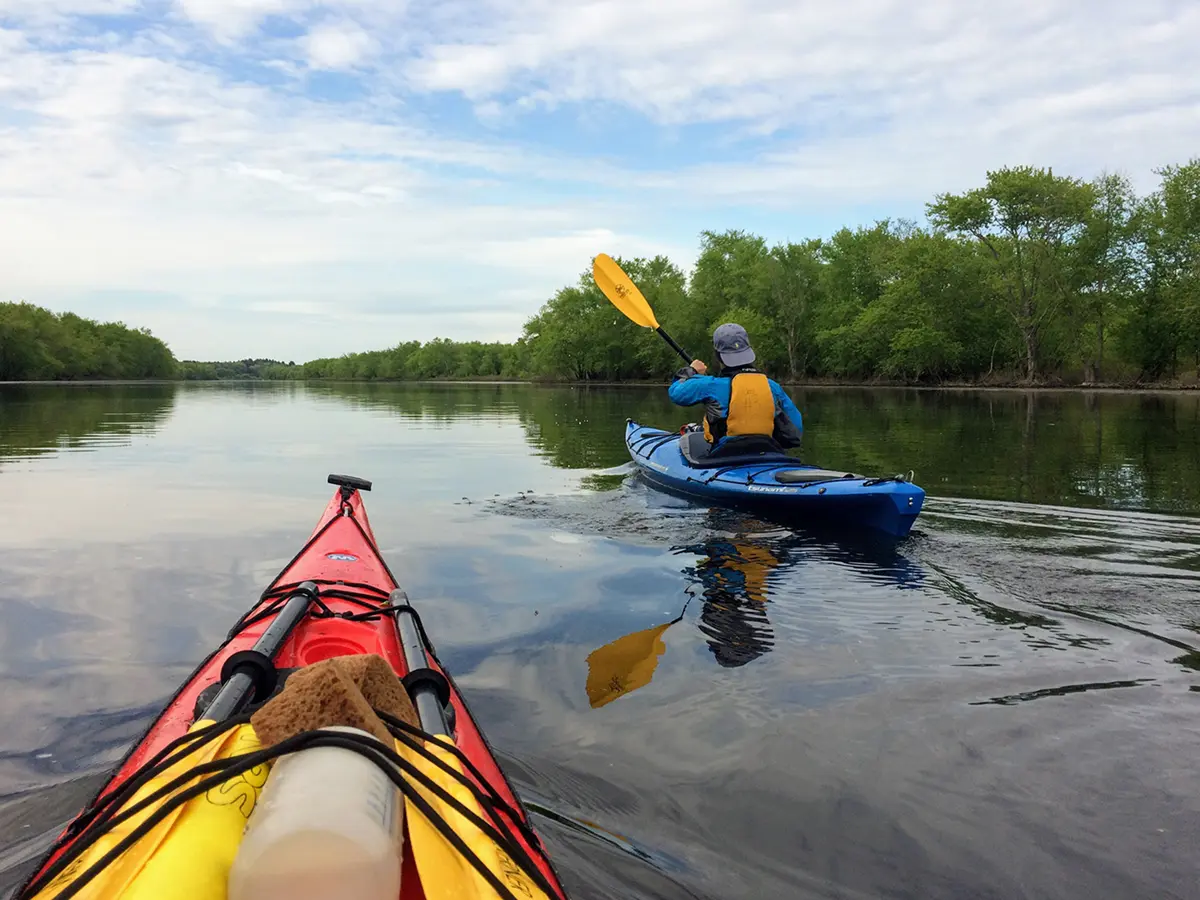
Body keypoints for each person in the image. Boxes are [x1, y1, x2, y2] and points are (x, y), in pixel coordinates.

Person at [668, 323, 803, 457]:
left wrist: (691, 370)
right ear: (749, 351)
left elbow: (676, 392)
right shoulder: (772, 386)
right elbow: (796, 429)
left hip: (725, 456)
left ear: (718, 355)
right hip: (768, 453)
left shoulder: (710, 385)